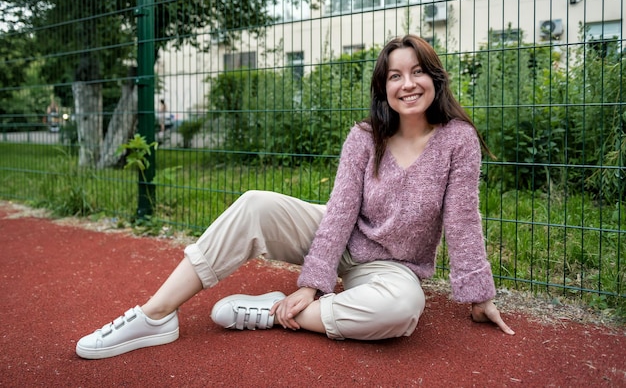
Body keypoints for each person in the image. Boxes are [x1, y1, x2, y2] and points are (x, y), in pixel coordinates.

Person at [76, 34, 514, 360]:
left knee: (401, 311)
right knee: (255, 204)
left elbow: (462, 222)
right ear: (383, 88)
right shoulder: (365, 136)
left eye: (418, 71)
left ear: (435, 77)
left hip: (392, 267)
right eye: (395, 75)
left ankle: (274, 312)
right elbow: (341, 211)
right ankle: (155, 316)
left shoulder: (458, 140)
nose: (408, 83)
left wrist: (480, 297)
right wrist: (312, 281)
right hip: (339, 237)